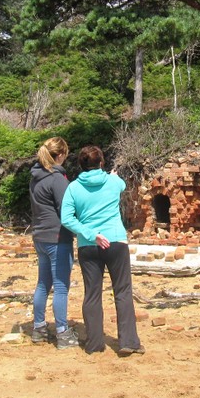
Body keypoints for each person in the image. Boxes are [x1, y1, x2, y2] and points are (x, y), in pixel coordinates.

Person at [60, 145, 143, 357]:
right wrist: (111, 175)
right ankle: (129, 342)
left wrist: (89, 233)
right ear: (102, 162)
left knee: (92, 294)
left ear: (80, 165)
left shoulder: (73, 188)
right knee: (122, 291)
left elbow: (67, 218)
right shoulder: (113, 181)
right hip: (115, 240)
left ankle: (95, 343)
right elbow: (121, 184)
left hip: (89, 244)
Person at [29, 137, 78, 350]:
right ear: (59, 155)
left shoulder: (35, 177)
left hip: (39, 236)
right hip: (57, 238)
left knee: (43, 284)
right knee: (60, 287)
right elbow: (66, 210)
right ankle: (62, 332)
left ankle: (39, 328)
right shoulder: (57, 179)